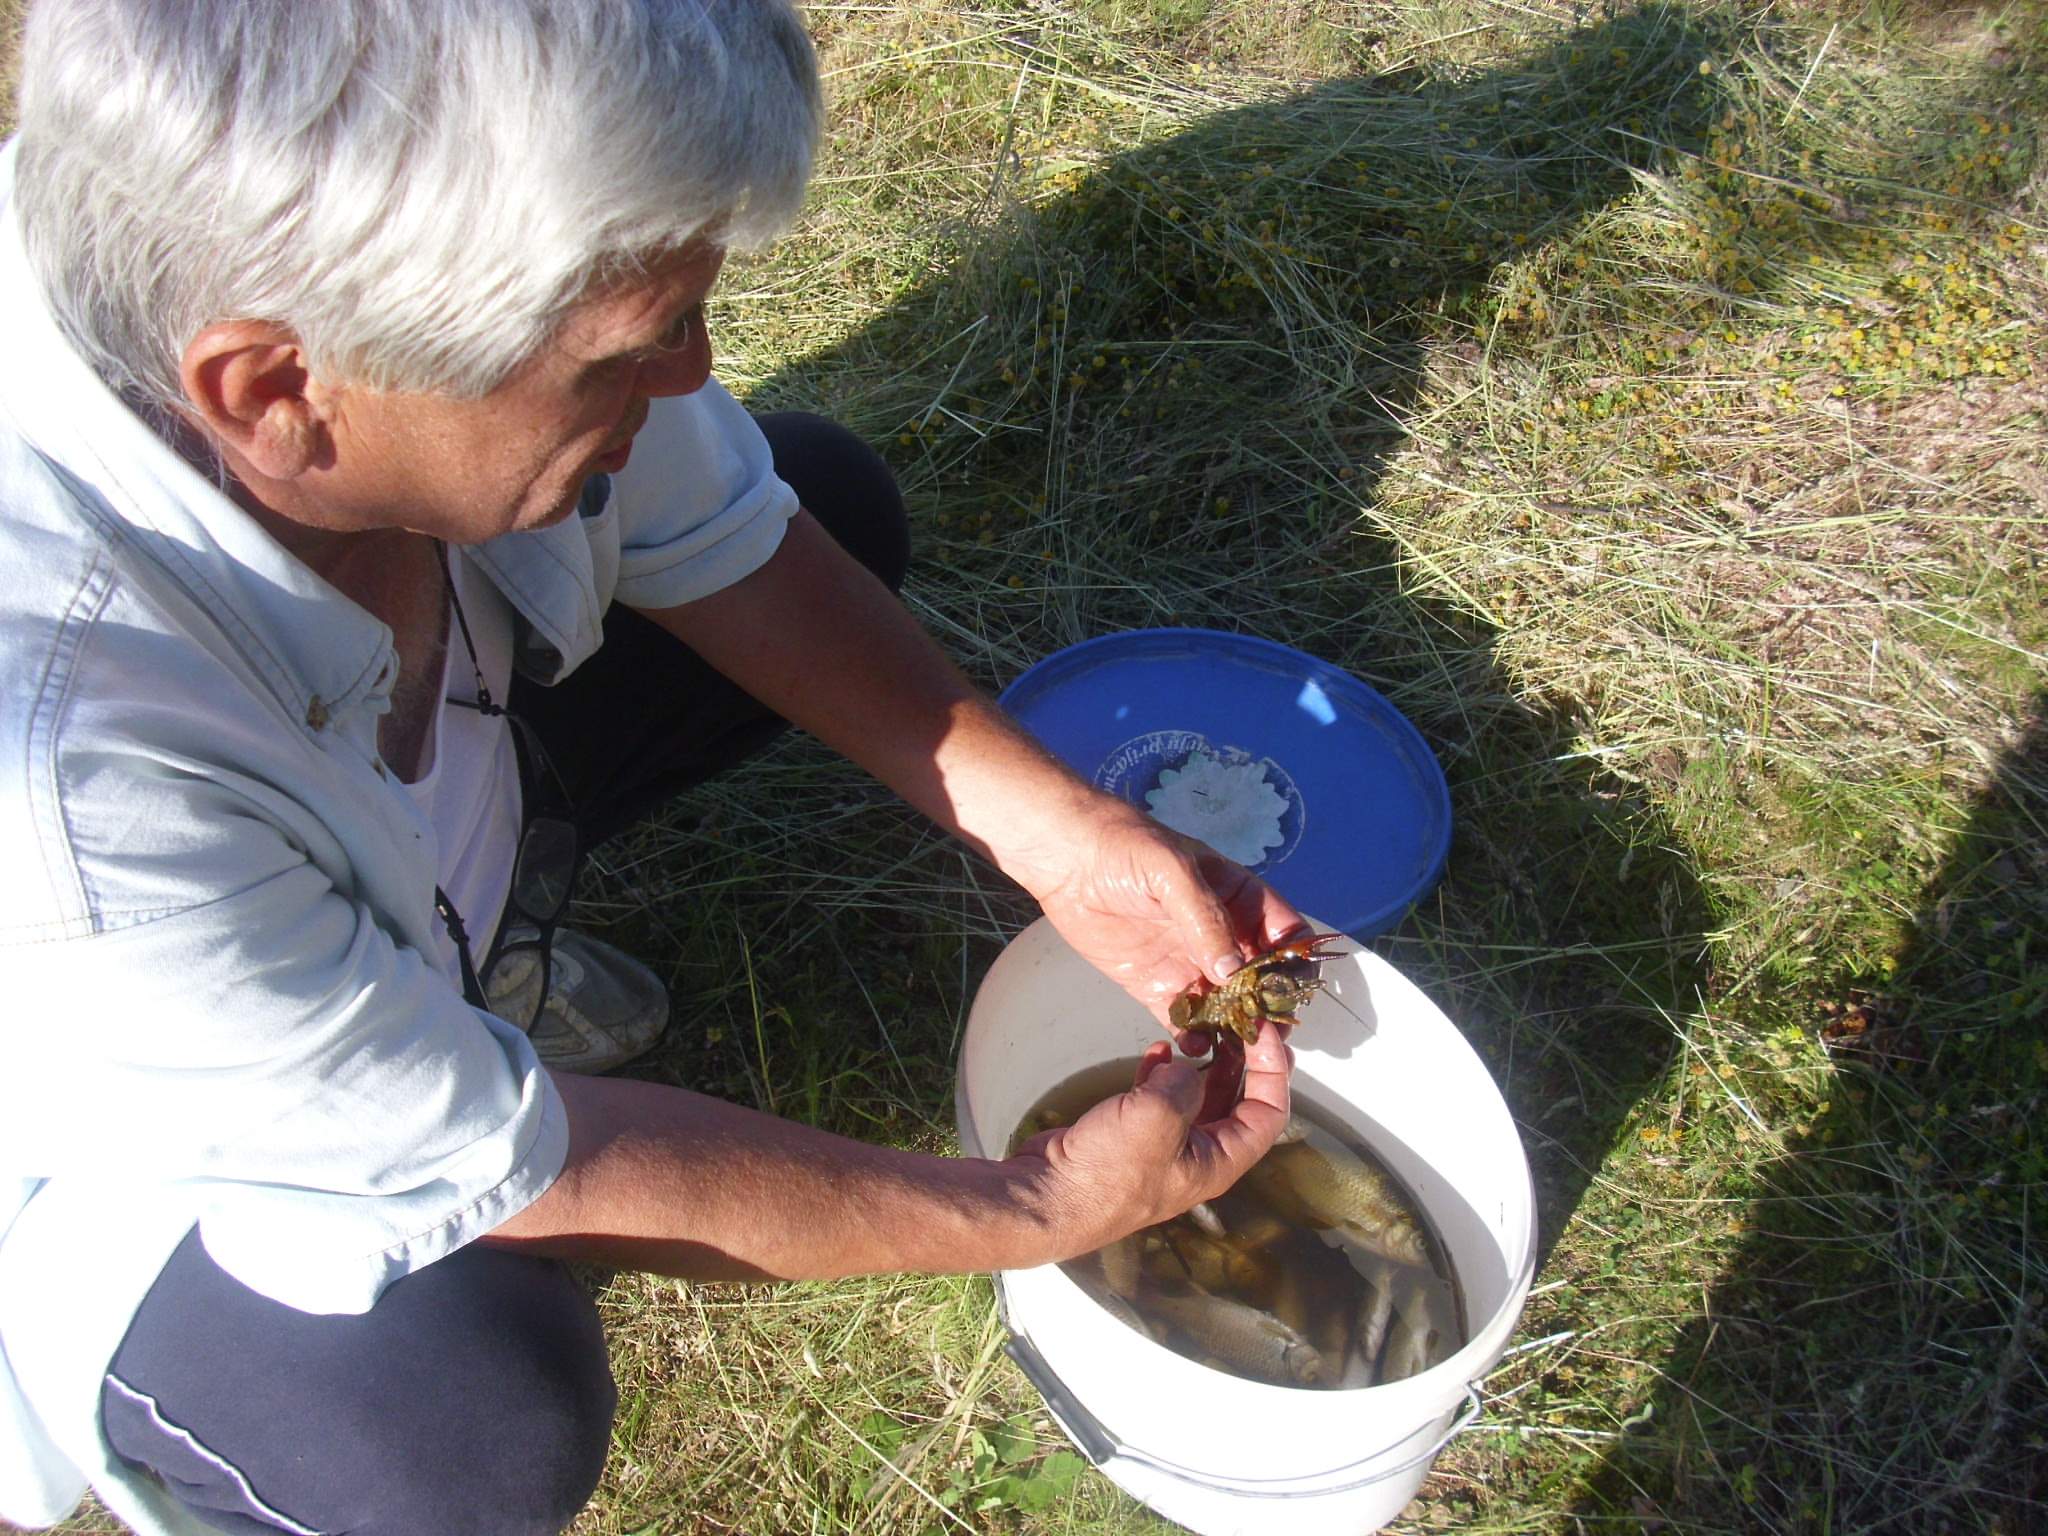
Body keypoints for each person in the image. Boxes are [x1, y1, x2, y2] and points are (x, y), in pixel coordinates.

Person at [0, 3, 1303, 1533]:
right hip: (99, 1148)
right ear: (275, 394)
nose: (693, 374)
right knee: (452, 1432)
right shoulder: (69, 798)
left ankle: (439, 959)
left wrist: (1064, 836)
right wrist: (1037, 1209)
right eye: (630, 345)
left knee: (830, 498)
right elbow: (507, 1162)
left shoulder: (302, 255)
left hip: (255, 929)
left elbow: (728, 532)